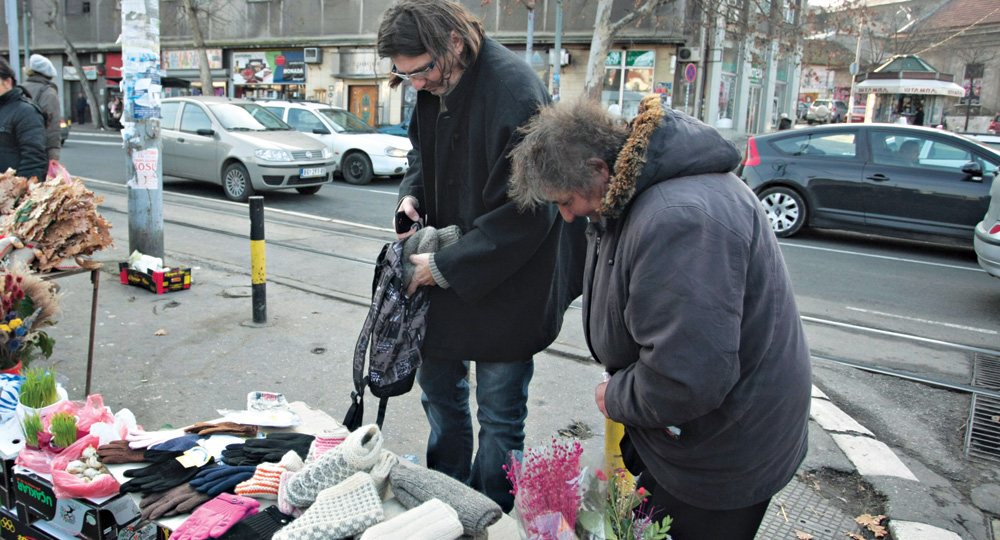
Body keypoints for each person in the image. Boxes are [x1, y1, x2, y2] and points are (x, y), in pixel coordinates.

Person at [508, 96, 812, 540]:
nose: (567, 215)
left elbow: (687, 377)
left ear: (599, 169)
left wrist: (615, 396)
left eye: (566, 200)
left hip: (722, 451)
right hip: (700, 432)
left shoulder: (676, 219)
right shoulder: (630, 195)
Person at [375, 0, 585, 513]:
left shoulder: (516, 92)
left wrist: (442, 267)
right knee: (440, 397)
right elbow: (421, 154)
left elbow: (530, 213)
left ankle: (490, 514)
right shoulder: (433, 82)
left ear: (454, 41)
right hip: (445, 271)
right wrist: (411, 194)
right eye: (406, 76)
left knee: (499, 415)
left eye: (421, 70)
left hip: (509, 282)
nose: (417, 84)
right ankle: (446, 501)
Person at [0, 57, 47, 181]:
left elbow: (34, 160)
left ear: (7, 82)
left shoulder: (26, 112)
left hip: (10, 189)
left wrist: (19, 189)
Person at [21, 54, 62, 161]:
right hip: (39, 149)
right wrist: (53, 154)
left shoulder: (19, 89)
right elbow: (52, 125)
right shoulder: (48, 93)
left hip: (18, 147)